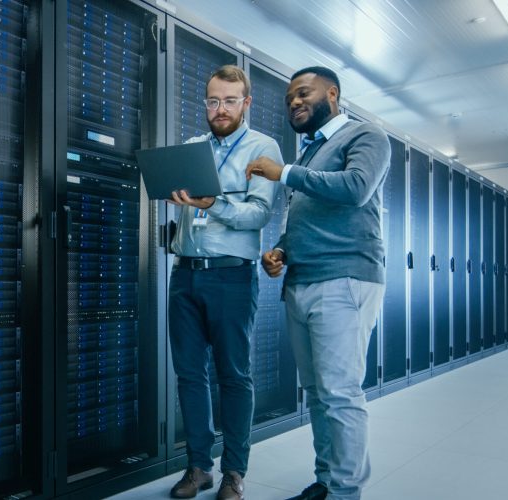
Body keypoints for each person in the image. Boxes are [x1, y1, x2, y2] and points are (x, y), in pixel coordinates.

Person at [245, 67, 390, 500]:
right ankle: (327, 482)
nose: (294, 102)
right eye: (289, 97)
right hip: (302, 281)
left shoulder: (366, 136)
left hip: (344, 278)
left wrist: (284, 172)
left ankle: (345, 493)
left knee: (340, 393)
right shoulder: (309, 154)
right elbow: (303, 217)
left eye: (303, 93)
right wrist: (281, 251)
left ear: (333, 93)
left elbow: (356, 188)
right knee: (318, 393)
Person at [167, 64, 281, 500]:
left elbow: (258, 215)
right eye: (213, 100)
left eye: (230, 100)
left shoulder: (262, 148)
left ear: (246, 103)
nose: (220, 109)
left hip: (232, 276)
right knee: (189, 375)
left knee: (233, 376)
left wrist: (212, 204)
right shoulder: (193, 148)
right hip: (186, 274)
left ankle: (234, 471)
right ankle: (198, 467)